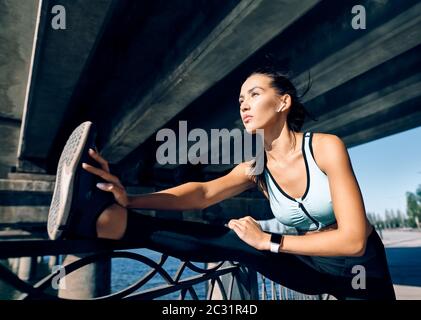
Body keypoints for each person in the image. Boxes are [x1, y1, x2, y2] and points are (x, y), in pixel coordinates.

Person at [47, 67, 396, 300]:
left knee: (256, 240)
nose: (244, 104)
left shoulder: (325, 147)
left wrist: (269, 241)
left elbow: (352, 241)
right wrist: (130, 198)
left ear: (283, 103)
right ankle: (103, 219)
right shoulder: (255, 168)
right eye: (241, 100)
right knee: (231, 240)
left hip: (362, 271)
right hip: (307, 263)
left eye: (255, 94)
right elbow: (201, 194)